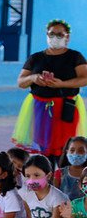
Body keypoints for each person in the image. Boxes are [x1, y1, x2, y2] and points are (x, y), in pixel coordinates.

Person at [13, 19, 87, 163]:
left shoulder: (75, 57)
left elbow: (85, 78)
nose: (55, 38)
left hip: (66, 107)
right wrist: (34, 78)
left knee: (65, 146)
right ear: (46, 35)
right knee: (44, 146)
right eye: (52, 34)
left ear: (67, 37)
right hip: (41, 108)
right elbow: (21, 82)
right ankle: (47, 176)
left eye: (60, 35)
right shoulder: (35, 58)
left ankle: (66, 176)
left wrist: (62, 84)